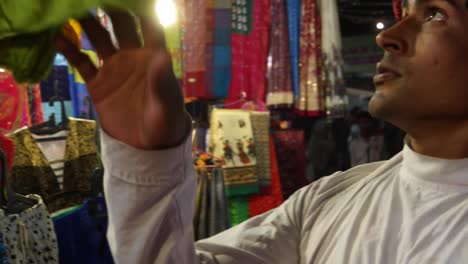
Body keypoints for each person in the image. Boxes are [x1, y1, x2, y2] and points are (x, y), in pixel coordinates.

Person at [54, 0, 468, 262]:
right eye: (405, 12)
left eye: (435, 13)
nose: (390, 37)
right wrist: (148, 160)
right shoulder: (328, 199)